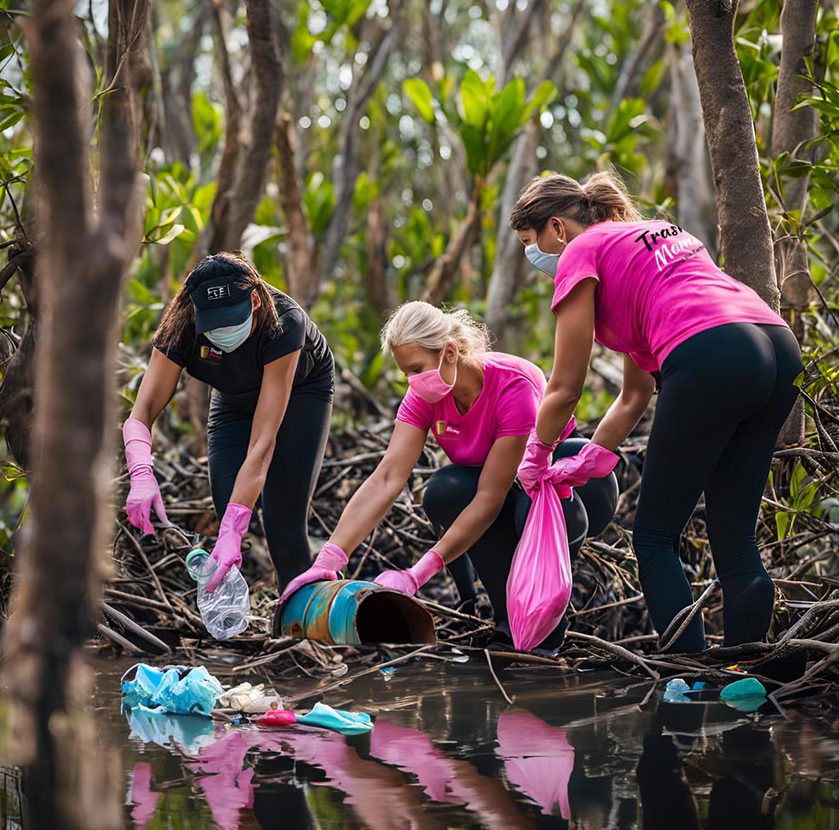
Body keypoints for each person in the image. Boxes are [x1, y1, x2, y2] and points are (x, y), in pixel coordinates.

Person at [509, 171, 802, 652]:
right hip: (774, 345)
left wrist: (536, 455)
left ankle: (691, 683)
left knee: (653, 539)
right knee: (737, 545)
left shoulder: (579, 252)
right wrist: (597, 453)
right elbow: (634, 393)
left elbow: (563, 387)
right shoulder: (649, 236)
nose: (534, 255)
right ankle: (747, 681)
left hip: (712, 350)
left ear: (557, 228)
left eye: (530, 241)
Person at [279, 301, 616, 653]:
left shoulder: (512, 386)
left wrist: (418, 574)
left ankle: (547, 621)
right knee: (445, 491)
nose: (412, 381)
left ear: (450, 352)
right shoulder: (425, 394)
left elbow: (490, 496)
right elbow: (387, 477)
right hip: (499, 493)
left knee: (522, 507)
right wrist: (329, 559)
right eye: (405, 373)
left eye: (416, 368)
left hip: (564, 496)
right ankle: (507, 619)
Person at [122, 252, 334, 593]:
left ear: (254, 299)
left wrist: (237, 528)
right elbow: (142, 411)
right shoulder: (182, 325)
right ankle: (235, 619)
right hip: (233, 399)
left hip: (300, 393)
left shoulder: (285, 321)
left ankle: (299, 632)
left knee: (284, 528)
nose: (221, 330)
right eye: (213, 322)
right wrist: (141, 474)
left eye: (230, 318)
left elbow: (263, 443)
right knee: (227, 505)